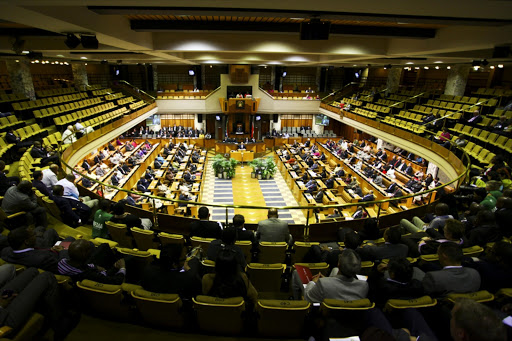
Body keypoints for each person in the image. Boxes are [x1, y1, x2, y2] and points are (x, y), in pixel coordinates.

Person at [0, 264, 79, 340]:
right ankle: (59, 325)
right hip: (3, 321)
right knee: (47, 277)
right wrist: (2, 306)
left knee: (32, 271)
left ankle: (43, 313)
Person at [300, 249, 368, 303]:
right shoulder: (364, 286)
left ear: (338, 264)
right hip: (352, 318)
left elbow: (307, 298)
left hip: (327, 317)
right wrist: (328, 280)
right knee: (335, 270)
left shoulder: (323, 283)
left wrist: (313, 282)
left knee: (295, 273)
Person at [58, 239, 125, 284]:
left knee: (104, 246)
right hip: (104, 277)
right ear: (85, 255)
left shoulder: (61, 261)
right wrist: (122, 268)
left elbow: (82, 266)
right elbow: (116, 281)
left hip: (91, 268)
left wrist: (95, 266)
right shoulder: (88, 275)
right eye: (89, 250)